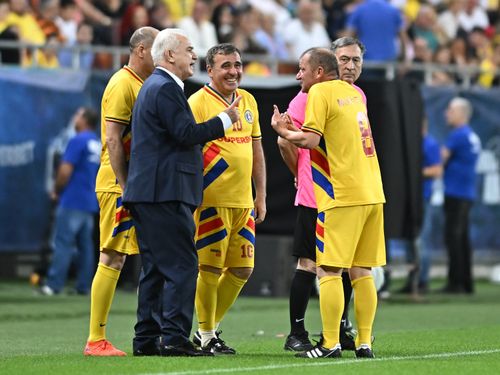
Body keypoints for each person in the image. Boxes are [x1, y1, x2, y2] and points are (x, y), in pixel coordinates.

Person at [123, 28, 241, 357]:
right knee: (182, 265)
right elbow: (185, 133)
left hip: (150, 191)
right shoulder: (164, 87)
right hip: (165, 192)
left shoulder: (155, 87)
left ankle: (146, 339)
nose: (194, 55)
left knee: (156, 269)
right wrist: (225, 120)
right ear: (170, 55)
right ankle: (174, 337)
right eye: (189, 49)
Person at [271, 47, 386, 359]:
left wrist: (282, 131)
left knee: (328, 270)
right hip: (373, 192)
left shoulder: (320, 92)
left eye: (302, 69)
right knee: (361, 271)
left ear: (319, 72)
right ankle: (364, 343)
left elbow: (310, 140)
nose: (298, 75)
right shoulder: (354, 93)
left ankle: (330, 343)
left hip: (341, 193)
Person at [83, 26, 159, 357]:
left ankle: (148, 332)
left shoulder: (143, 84)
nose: (161, 56)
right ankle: (95, 339)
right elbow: (113, 138)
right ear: (141, 50)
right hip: (119, 183)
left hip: (134, 181)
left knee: (139, 256)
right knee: (112, 255)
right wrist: (125, 184)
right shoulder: (121, 83)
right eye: (157, 49)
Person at [187, 43, 267, 354]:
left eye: (237, 64)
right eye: (225, 66)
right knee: (208, 269)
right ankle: (207, 335)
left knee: (242, 270)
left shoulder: (249, 101)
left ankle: (207, 328)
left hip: (243, 202)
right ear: (210, 70)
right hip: (211, 200)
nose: (233, 71)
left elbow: (256, 150)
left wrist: (260, 194)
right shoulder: (198, 102)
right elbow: (187, 147)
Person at [40, 107, 100, 296]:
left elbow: (65, 170)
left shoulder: (77, 140)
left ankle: (54, 285)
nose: (74, 118)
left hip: (72, 199)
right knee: (85, 247)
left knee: (63, 242)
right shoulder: (96, 141)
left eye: (78, 115)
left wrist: (56, 190)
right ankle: (84, 286)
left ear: (84, 120)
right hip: (90, 200)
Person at [441, 97, 481, 294]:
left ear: (460, 113)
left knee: (454, 238)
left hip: (456, 193)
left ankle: (455, 283)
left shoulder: (458, 135)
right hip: (467, 193)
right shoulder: (471, 134)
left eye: (450, 110)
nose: (446, 113)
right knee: (462, 238)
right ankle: (466, 282)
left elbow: (442, 159)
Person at [399, 119, 442, 294]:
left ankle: (422, 281)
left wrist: (414, 172)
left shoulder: (429, 143)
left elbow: (437, 170)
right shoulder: (411, 143)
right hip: (409, 199)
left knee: (421, 240)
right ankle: (412, 281)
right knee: (410, 240)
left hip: (423, 198)